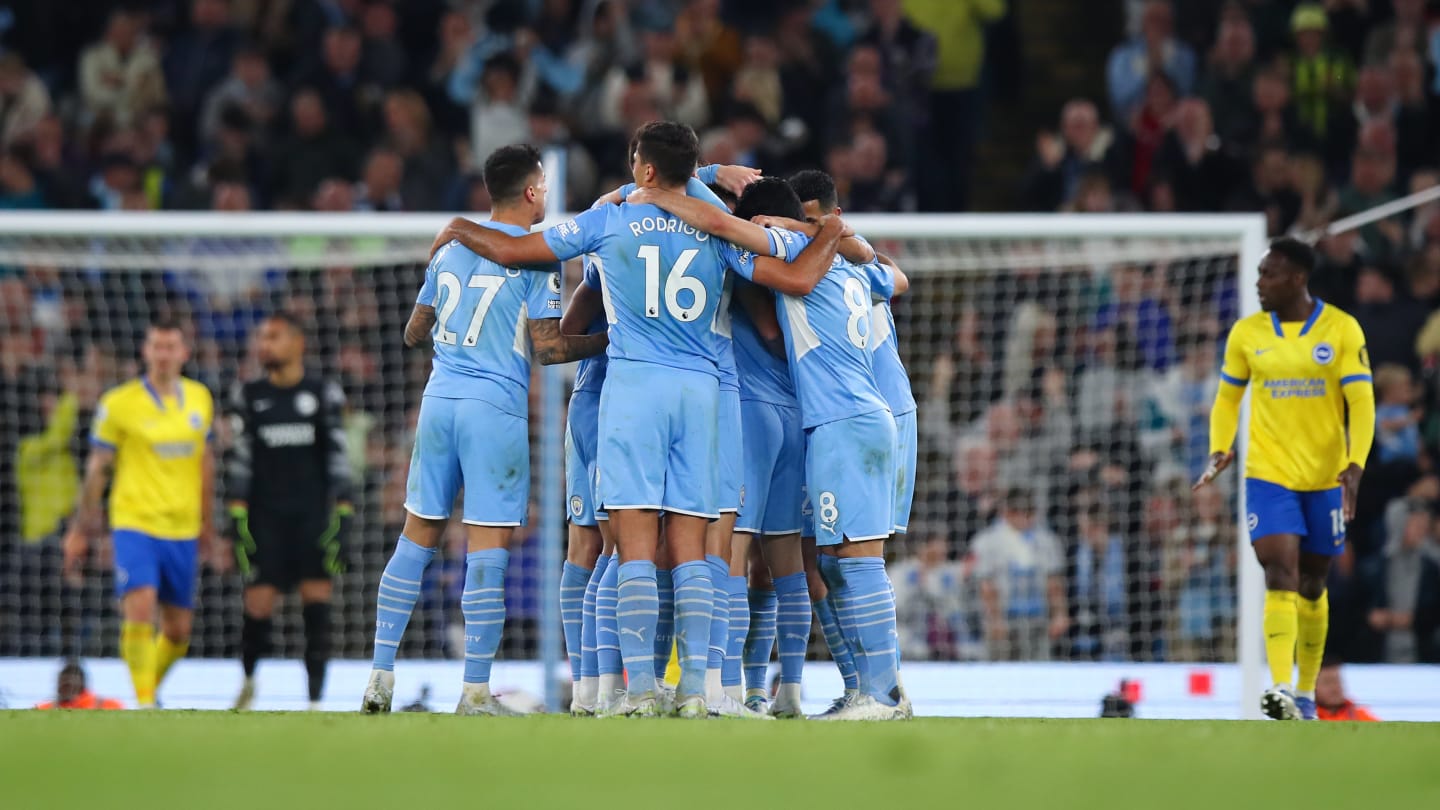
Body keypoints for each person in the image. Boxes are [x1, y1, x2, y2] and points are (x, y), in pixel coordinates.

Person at [429, 123, 842, 717]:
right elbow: (788, 261)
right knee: (695, 547)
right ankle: (697, 692)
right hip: (702, 394)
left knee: (634, 548)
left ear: (644, 169)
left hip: (633, 392)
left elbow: (516, 250)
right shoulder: (718, 228)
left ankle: (639, 690)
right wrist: (825, 230)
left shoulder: (609, 219)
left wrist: (458, 228)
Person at [631, 175, 909, 720]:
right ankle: (836, 690)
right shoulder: (851, 266)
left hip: (822, 419)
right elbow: (894, 275)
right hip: (851, 416)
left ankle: (738, 688)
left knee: (766, 553)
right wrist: (828, 231)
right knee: (818, 563)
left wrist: (666, 191)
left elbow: (720, 225)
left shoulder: (787, 251)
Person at [360, 144, 606, 716]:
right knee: (487, 552)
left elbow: (413, 333)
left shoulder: (450, 251)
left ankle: (379, 676)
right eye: (543, 186)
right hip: (493, 409)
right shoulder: (536, 260)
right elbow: (549, 349)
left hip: (439, 403)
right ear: (530, 192)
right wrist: (611, 340)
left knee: (415, 539)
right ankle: (474, 691)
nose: (546, 195)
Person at [1195, 237, 1374, 720]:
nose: (1259, 283)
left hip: (1324, 477)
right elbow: (1227, 398)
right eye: (1259, 273)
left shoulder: (1341, 328)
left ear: (1297, 278)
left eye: (1268, 274)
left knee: (1313, 583)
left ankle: (1307, 693)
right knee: (1278, 570)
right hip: (1268, 474)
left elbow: (1361, 402)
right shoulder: (1246, 333)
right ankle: (1280, 688)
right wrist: (1219, 446)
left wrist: (1355, 463)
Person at [62, 318, 218, 709]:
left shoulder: (200, 398)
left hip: (182, 526)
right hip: (135, 523)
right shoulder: (118, 403)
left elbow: (205, 462)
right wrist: (80, 529)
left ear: (184, 353)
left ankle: (146, 692)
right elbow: (98, 468)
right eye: (156, 346)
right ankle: (146, 704)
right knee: (141, 607)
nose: (163, 354)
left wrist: (207, 522)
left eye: (170, 347)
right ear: (145, 351)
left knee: (178, 631)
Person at [226, 313, 352, 711]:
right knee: (258, 604)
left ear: (298, 343)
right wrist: (236, 515)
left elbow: (337, 456)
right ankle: (248, 683)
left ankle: (314, 700)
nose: (264, 345)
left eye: (274, 337)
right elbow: (241, 459)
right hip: (265, 518)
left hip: (312, 516)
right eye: (262, 337)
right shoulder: (247, 394)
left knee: (316, 603)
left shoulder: (322, 393)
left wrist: (344, 513)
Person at [34, 659, 124, 710]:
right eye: (64, 684)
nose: (67, 689)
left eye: (70, 685)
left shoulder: (108, 705)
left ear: (82, 685)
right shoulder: (44, 708)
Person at [1314, 658, 1379, 721]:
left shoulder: (1362, 717)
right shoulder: (1309, 719)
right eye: (1327, 682)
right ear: (1312, 688)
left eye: (1337, 681)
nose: (1335, 688)